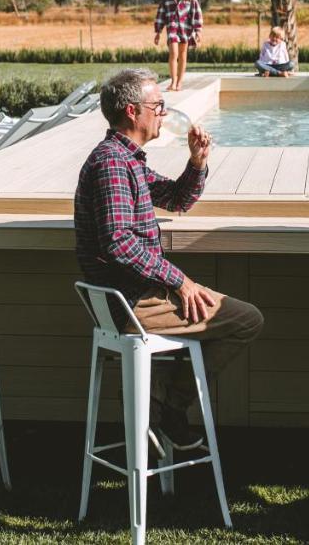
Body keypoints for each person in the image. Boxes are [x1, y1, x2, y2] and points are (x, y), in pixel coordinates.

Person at [74, 68, 264, 450]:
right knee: (246, 320)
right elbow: (118, 243)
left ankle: (159, 399)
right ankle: (168, 406)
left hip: (131, 296)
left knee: (231, 316)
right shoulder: (112, 164)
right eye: (157, 106)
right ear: (132, 111)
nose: (163, 113)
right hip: (131, 303)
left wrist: (196, 162)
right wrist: (180, 281)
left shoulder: (127, 160)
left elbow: (178, 200)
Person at [153, 0, 202, 92]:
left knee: (183, 54)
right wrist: (158, 31)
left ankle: (180, 82)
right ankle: (173, 82)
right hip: (172, 30)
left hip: (186, 30)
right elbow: (161, 14)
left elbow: (197, 12)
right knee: (173, 53)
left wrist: (198, 31)